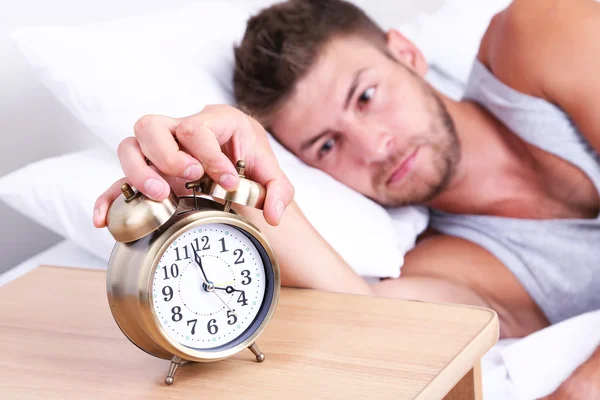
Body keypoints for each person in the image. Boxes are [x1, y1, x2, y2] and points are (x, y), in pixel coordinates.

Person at [93, 0, 600, 396]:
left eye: (366, 97)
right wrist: (225, 176)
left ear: (407, 54)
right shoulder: (448, 266)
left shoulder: (539, 31)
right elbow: (369, 327)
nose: (374, 146)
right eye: (328, 145)